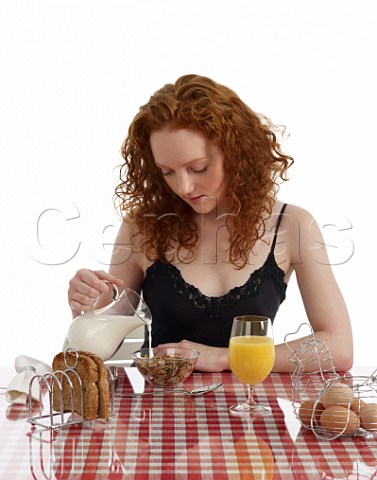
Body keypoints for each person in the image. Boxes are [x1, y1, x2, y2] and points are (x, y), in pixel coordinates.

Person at [67, 74, 353, 373]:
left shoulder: (292, 225)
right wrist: (87, 306)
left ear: (236, 153)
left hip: (254, 409)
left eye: (198, 168)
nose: (185, 186)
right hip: (162, 412)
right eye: (167, 172)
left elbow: (339, 348)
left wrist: (222, 357)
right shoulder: (143, 226)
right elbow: (109, 348)